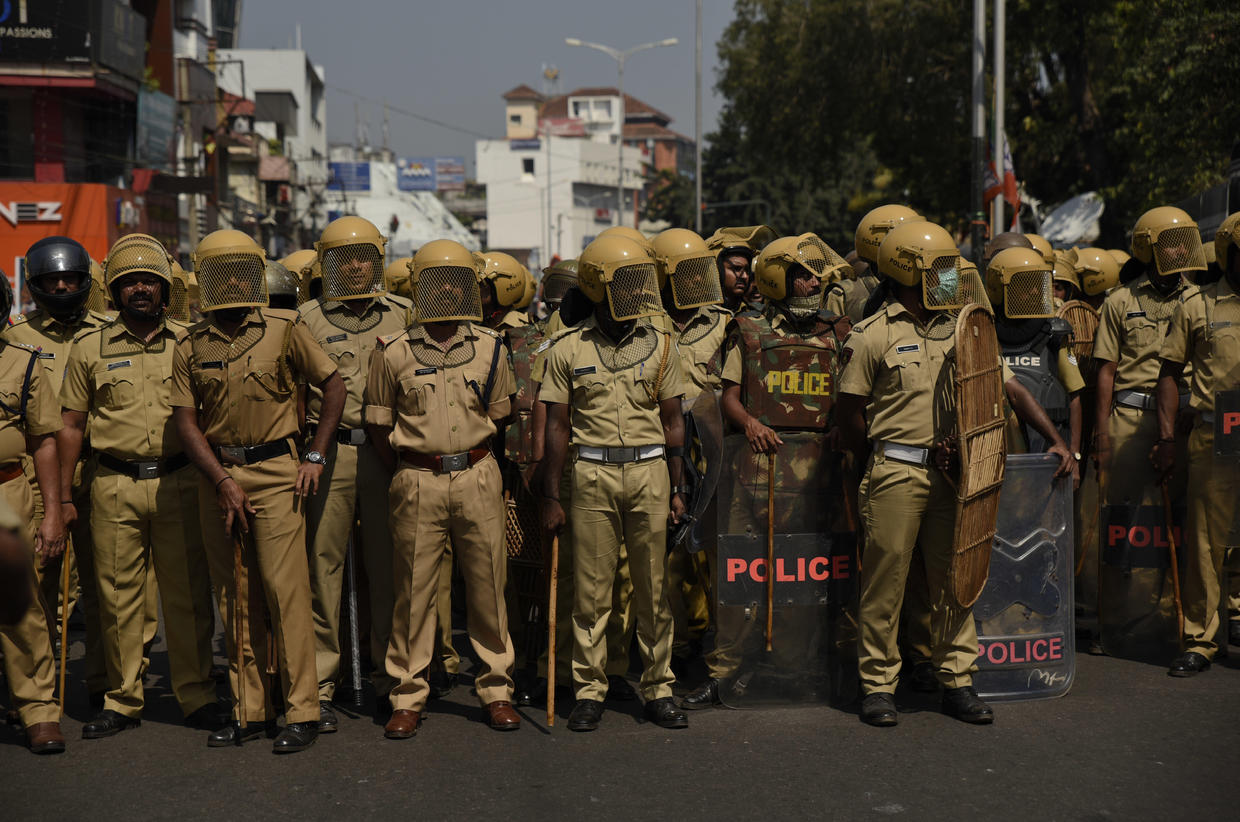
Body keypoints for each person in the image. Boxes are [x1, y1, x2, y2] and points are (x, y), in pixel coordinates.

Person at [836, 220, 1073, 727]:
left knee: (956, 580)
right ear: (906, 274)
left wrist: (1054, 438)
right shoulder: (873, 334)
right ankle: (878, 685)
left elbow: (1010, 389)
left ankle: (957, 679)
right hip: (894, 472)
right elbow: (850, 413)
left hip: (953, 476)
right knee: (886, 584)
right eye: (939, 270)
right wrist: (873, 458)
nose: (949, 279)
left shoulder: (967, 327)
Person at [171, 228, 346, 753]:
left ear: (254, 272)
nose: (229, 281)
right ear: (203, 278)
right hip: (218, 477)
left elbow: (333, 386)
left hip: (276, 474)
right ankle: (249, 710)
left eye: (239, 268)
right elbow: (186, 423)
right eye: (217, 271)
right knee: (235, 597)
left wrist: (315, 454)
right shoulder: (191, 343)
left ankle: (302, 710)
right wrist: (222, 481)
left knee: (285, 591)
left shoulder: (284, 328)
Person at [58, 233, 225, 738]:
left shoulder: (190, 341)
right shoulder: (90, 346)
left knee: (188, 595)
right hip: (112, 484)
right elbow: (70, 425)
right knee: (116, 597)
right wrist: (63, 497)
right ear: (113, 290)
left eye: (148, 281)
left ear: (165, 289)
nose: (139, 289)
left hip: (179, 480)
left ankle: (196, 694)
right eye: (128, 281)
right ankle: (123, 698)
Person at [682, 232, 849, 709]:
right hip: (754, 477)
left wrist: (839, 427)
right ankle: (724, 670)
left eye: (815, 274)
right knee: (740, 578)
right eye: (801, 274)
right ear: (778, 279)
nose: (812, 282)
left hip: (817, 481)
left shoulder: (838, 333)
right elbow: (728, 398)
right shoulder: (748, 330)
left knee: (804, 578)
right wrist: (750, 422)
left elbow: (852, 396)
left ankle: (796, 670)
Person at [364, 239, 521, 739]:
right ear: (419, 286)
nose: (447, 291)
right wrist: (410, 467)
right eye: (436, 281)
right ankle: (408, 695)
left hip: (478, 474)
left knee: (487, 587)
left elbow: (502, 415)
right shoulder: (393, 351)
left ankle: (497, 689)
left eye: (457, 282)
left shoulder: (492, 348)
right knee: (412, 591)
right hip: (416, 480)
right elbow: (377, 423)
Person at [539, 234, 689, 732]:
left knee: (653, 589)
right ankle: (589, 690)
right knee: (592, 592)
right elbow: (557, 426)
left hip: (650, 473)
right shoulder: (567, 348)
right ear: (598, 289)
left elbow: (673, 424)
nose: (637, 295)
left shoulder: (663, 344)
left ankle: (659, 688)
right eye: (624, 285)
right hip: (591, 476)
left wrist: (678, 486)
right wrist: (551, 494)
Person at [299, 216, 411, 729]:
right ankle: (322, 682)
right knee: (322, 569)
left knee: (388, 568)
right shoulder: (307, 319)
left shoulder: (406, 315)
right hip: (333, 454)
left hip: (389, 454)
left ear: (379, 259)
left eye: (365, 256)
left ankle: (392, 679)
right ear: (326, 263)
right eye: (344, 258)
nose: (356, 265)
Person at [5, 236, 112, 708]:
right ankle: (42, 688)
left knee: (104, 582)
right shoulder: (15, 337)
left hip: (102, 470)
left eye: (71, 278)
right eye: (52, 280)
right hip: (37, 475)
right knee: (46, 583)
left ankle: (103, 681)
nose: (63, 286)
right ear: (35, 286)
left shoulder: (109, 329)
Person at [1154, 209, 1239, 677]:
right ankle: (1201, 639)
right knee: (1207, 540)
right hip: (1218, 429)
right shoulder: (1198, 305)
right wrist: (1167, 439)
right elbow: (1168, 373)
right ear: (1229, 255)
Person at [652, 228, 734, 667]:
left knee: (716, 557)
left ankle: (722, 651)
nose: (697, 280)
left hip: (712, 453)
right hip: (663, 452)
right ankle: (676, 648)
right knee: (667, 561)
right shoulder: (645, 326)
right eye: (685, 272)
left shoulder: (723, 322)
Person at [0, 269, 67, 754]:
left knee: (21, 608)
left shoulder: (22, 362)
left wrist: (52, 512)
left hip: (9, 492)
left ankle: (39, 712)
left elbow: (44, 441)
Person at [986, 246, 1085, 467]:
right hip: (997, 457)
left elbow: (1074, 397)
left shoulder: (1054, 333)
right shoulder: (983, 334)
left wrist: (1075, 455)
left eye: (1036, 284)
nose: (1033, 291)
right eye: (1025, 285)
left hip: (1050, 457)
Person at [705, 225, 777, 314]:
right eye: (736, 268)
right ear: (715, 269)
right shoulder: (699, 316)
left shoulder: (756, 316)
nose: (745, 276)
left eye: (747, 270)